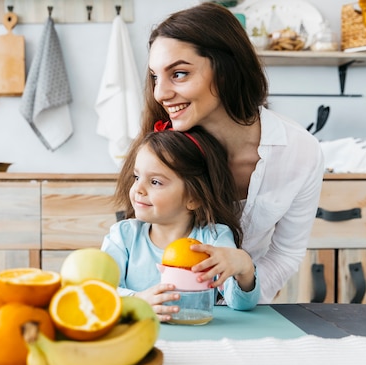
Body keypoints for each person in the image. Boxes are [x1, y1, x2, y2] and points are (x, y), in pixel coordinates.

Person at [118, 2, 324, 305]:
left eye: (179, 74)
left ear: (227, 70)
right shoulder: (161, 151)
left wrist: (242, 293)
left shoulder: (300, 153)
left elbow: (285, 254)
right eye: (155, 77)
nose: (160, 93)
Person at [101, 125, 260, 322]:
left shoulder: (213, 238)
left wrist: (244, 267)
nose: (138, 189)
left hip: (197, 335)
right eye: (137, 177)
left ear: (193, 198)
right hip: (137, 333)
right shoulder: (123, 236)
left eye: (155, 182)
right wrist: (137, 301)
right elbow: (102, 293)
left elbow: (240, 304)